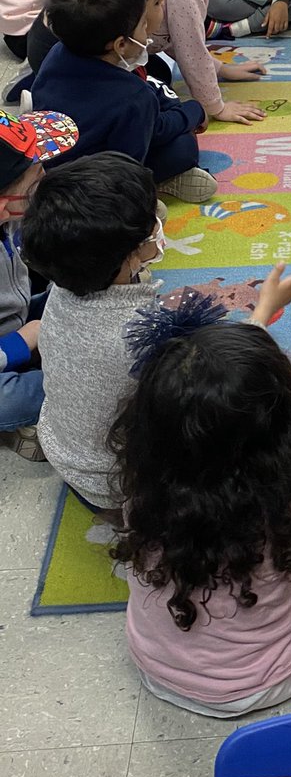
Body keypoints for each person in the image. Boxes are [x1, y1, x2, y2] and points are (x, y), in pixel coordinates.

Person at [109, 269, 291, 716]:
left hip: (153, 664)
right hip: (255, 682)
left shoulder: (148, 481)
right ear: (280, 433)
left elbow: (214, 396)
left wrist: (261, 312)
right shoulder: (286, 497)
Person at [19, 153, 164, 512]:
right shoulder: (141, 333)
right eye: (153, 223)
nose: (161, 221)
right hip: (120, 490)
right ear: (131, 254)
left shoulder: (63, 286)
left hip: (66, 456)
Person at [31, 0, 215, 203]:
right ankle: (158, 186)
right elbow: (129, 165)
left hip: (54, 160)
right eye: (142, 25)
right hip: (95, 188)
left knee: (159, 90)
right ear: (120, 45)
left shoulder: (57, 52)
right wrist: (194, 111)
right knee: (183, 146)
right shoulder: (134, 97)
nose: (147, 29)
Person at [0, 107, 78, 460]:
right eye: (35, 184)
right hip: (11, 340)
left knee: (76, 293)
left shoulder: (9, 220)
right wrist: (23, 340)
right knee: (74, 386)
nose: (45, 179)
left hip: (14, 318)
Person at [27, 0, 166, 82]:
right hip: (58, 69)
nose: (162, 2)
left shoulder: (85, 4)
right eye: (156, 2)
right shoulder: (105, 71)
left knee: (160, 71)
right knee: (159, 78)